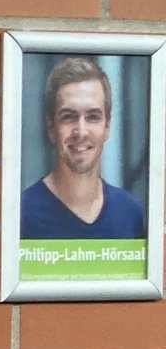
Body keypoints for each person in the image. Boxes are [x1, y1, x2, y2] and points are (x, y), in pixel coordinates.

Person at [21, 54, 146, 239]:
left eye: (93, 116)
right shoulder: (22, 214)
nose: (81, 131)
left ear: (107, 127)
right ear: (51, 128)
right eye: (69, 117)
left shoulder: (130, 214)